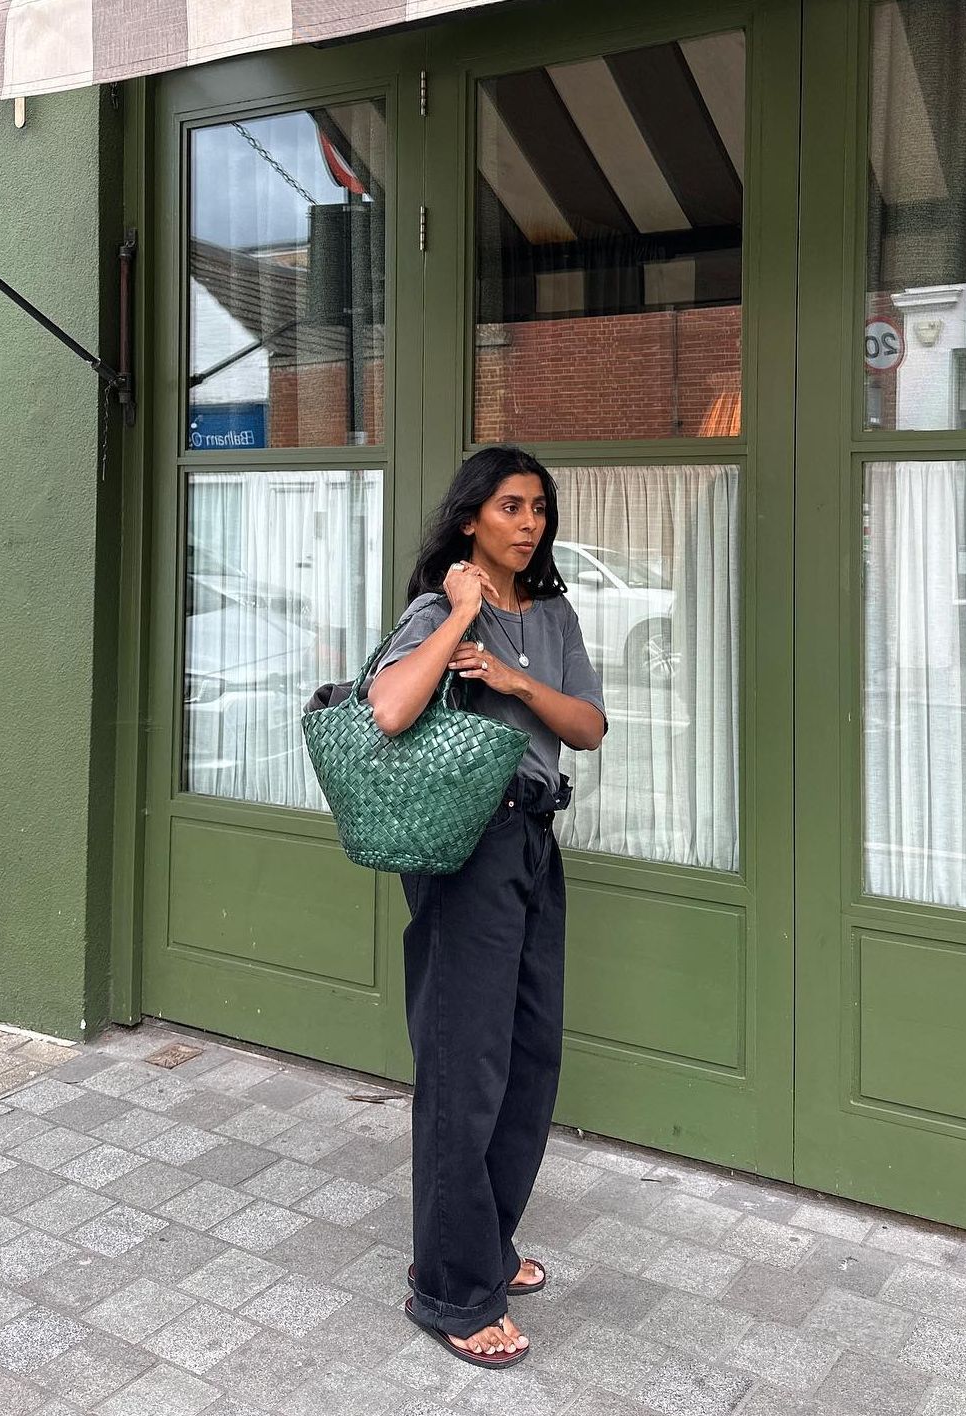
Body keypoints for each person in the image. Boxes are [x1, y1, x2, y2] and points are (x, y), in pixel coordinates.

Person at [364, 445, 607, 1367]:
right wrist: (461, 611)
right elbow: (388, 710)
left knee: (530, 1056)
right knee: (465, 1069)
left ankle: (485, 1248)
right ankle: (449, 1291)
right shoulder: (438, 611)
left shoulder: (553, 614)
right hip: (466, 848)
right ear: (471, 518)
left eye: (539, 508)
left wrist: (511, 681)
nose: (528, 522)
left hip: (534, 840)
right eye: (509, 506)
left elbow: (586, 726)